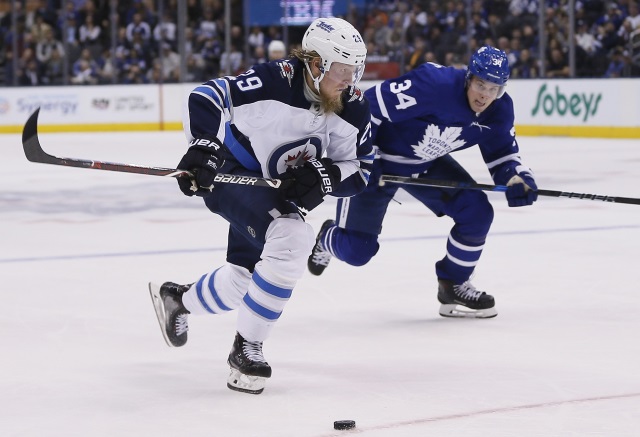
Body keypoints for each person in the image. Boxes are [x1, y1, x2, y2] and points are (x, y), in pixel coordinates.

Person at [149, 17, 372, 395]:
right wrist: (204, 146)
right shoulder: (274, 81)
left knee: (245, 279)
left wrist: (324, 176)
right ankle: (246, 349)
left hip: (276, 189)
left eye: (356, 69)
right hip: (235, 174)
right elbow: (206, 96)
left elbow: (360, 171)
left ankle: (177, 299)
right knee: (291, 238)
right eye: (342, 70)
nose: (350, 80)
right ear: (316, 64)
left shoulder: (351, 107)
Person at [308, 46, 538, 319]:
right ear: (469, 78)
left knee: (477, 212)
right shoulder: (434, 85)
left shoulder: (499, 111)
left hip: (426, 164)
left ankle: (453, 284)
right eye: (480, 85)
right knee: (357, 251)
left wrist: (517, 178)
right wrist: (362, 156)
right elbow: (371, 104)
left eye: (494, 89)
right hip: (377, 165)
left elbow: (504, 155)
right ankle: (326, 237)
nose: (485, 95)